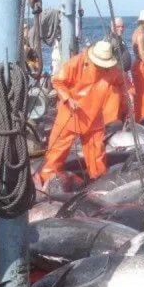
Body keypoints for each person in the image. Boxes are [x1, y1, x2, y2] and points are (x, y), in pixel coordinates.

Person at [38, 41, 123, 186]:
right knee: (58, 148)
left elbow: (121, 85)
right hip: (71, 114)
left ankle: (98, 179)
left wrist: (125, 103)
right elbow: (57, 81)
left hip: (94, 115)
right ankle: (48, 178)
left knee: (96, 150)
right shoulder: (76, 63)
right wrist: (67, 98)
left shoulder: (113, 70)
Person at [103, 17, 131, 125]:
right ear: (112, 27)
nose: (121, 29)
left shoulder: (120, 39)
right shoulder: (110, 40)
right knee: (113, 107)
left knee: (123, 105)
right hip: (114, 81)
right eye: (118, 26)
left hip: (122, 78)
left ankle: (121, 121)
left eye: (122, 26)